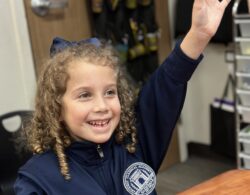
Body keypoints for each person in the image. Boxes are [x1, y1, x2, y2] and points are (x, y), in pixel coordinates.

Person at [14, 0, 231, 194]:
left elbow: (165, 86)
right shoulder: (38, 180)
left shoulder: (132, 144)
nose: (102, 106)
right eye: (84, 95)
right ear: (56, 107)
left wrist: (199, 34)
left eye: (110, 92)